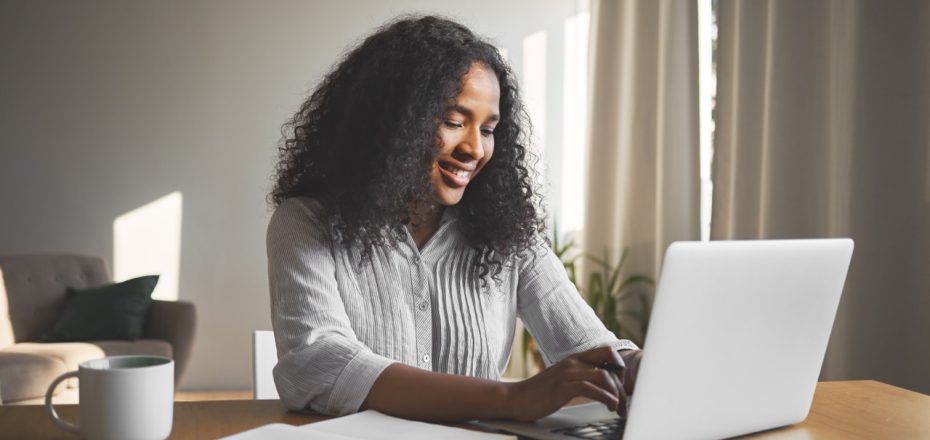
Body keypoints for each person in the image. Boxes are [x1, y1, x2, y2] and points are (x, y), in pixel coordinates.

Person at [266, 15, 643, 423]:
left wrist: (641, 367)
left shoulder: (510, 236)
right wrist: (510, 399)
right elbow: (320, 364)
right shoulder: (306, 222)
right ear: (391, 120)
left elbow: (589, 347)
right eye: (454, 122)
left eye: (488, 129)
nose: (474, 149)